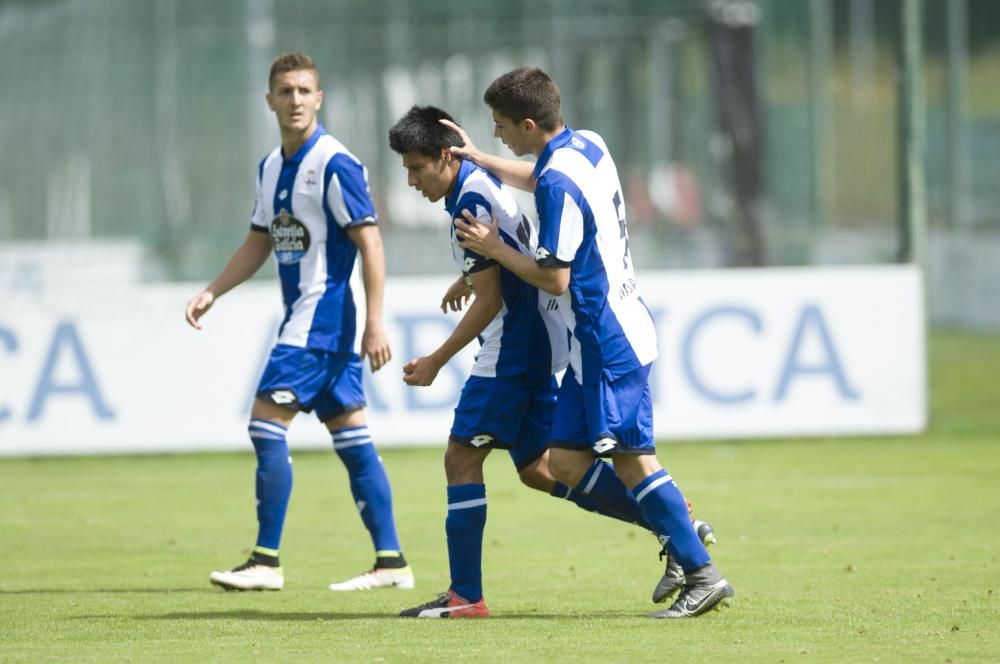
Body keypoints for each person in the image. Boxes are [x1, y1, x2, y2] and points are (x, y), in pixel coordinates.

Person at [386, 105, 713, 618]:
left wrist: (435, 358)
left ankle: (466, 596)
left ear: (444, 157)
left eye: (415, 167)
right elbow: (506, 251)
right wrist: (472, 272)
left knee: (461, 458)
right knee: (544, 468)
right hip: (549, 336)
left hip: (518, 348)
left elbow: (499, 296)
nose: (410, 180)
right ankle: (676, 528)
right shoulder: (503, 172)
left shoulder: (471, 200)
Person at [185, 52, 413, 593]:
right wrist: (212, 291)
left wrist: (376, 322)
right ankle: (392, 562)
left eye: (304, 90)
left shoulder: (335, 164)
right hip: (310, 324)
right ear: (270, 101)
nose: (295, 100)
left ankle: (265, 559)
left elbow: (371, 242)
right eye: (285, 91)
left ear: (319, 98)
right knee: (353, 439)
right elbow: (258, 243)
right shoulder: (270, 167)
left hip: (321, 321)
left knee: (264, 424)